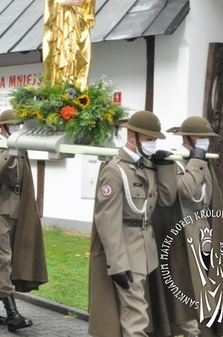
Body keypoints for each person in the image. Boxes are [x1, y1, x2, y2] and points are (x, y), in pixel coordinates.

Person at [161, 116, 223, 336]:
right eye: (200, 137)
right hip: (183, 240)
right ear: (187, 138)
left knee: (208, 291)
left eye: (207, 138)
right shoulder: (175, 162)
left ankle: (206, 331)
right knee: (188, 292)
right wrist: (195, 161)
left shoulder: (203, 161)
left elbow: (209, 198)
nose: (205, 142)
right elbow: (185, 192)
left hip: (205, 238)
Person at [88, 110, 178, 337]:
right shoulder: (115, 170)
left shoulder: (147, 166)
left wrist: (165, 167)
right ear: (132, 136)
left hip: (146, 251)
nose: (153, 144)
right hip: (127, 252)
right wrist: (117, 263)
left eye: (154, 139)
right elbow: (106, 221)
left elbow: (166, 199)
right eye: (149, 139)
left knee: (139, 312)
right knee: (136, 316)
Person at [0, 109, 48, 332]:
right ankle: (11, 311)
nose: (18, 129)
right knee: (2, 259)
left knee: (6, 259)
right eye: (14, 125)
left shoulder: (21, 149)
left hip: (17, 208)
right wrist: (10, 151)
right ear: (4, 127)